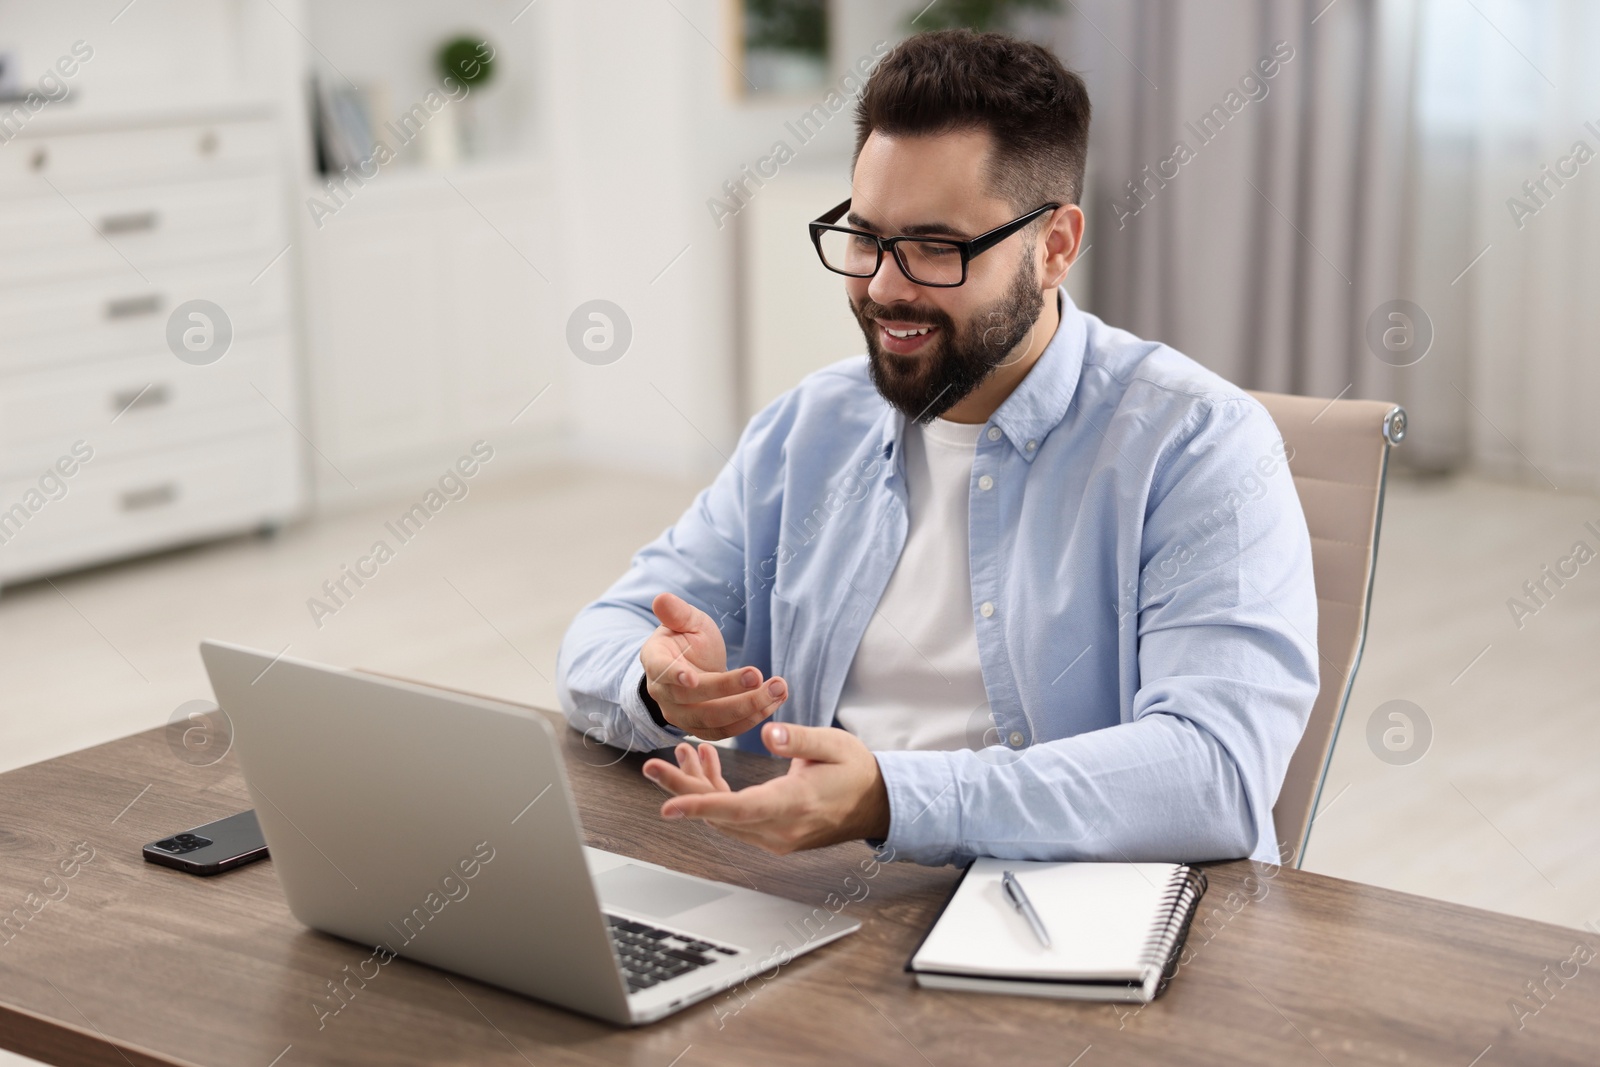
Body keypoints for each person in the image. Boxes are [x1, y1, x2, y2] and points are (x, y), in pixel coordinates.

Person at [557, 29, 1318, 868]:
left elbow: (1214, 771)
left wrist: (894, 796)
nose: (884, 286)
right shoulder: (808, 428)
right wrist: (660, 686)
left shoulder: (1201, 446)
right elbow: (604, 634)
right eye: (866, 237)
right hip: (827, 894)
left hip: (1083, 928)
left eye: (936, 248)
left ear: (1055, 246)